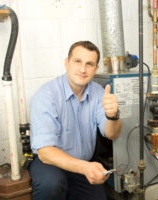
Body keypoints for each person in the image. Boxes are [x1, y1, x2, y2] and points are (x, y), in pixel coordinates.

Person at [29, 41, 122, 200]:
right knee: (51, 184)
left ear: (96, 69)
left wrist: (113, 115)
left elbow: (111, 134)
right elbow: (45, 152)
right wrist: (85, 168)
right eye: (77, 61)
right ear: (67, 62)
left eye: (89, 64)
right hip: (51, 164)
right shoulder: (46, 95)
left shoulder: (98, 92)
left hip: (82, 165)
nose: (83, 69)